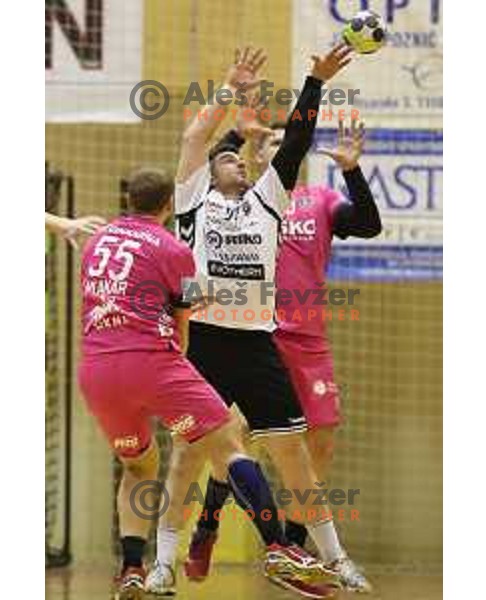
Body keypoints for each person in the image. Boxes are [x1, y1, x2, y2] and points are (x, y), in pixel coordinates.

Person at [145, 44, 356, 597]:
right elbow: (194, 138)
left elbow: (299, 142)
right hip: (206, 345)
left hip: (257, 344)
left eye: (239, 157)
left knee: (295, 457)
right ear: (211, 173)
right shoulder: (193, 201)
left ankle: (334, 559)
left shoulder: (267, 201)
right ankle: (163, 561)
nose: (236, 159)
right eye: (228, 157)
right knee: (187, 459)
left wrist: (315, 80)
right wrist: (230, 90)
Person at [78, 167, 336, 600]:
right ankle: (278, 546)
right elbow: (184, 322)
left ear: (128, 203)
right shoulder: (175, 248)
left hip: (97, 372)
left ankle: (132, 569)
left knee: (140, 466)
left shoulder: (95, 241)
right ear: (168, 207)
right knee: (230, 444)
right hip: (154, 364)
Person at [189, 116, 381, 592]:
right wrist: (234, 130)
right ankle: (208, 524)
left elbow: (369, 226)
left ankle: (296, 549)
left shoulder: (319, 201)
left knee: (317, 446)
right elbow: (198, 164)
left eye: (285, 140)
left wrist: (354, 172)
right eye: (268, 140)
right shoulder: (235, 202)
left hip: (308, 339)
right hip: (253, 336)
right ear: (255, 152)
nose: (278, 145)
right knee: (228, 443)